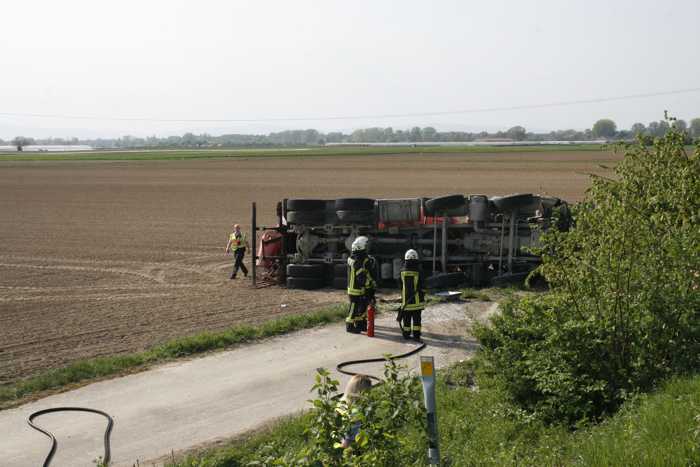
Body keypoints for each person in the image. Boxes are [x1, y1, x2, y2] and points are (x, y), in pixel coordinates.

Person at [346, 236, 376, 334]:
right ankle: (349, 325)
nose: (367, 248)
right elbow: (362, 276)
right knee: (354, 307)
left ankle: (360, 324)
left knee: (361, 306)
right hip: (355, 289)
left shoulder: (358, 259)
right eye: (365, 246)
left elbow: (366, 273)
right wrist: (369, 285)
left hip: (360, 288)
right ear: (360, 247)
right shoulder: (356, 261)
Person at [338, 374, 373, 449]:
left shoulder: (342, 403)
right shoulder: (357, 411)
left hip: (339, 439)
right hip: (353, 444)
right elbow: (351, 431)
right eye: (368, 391)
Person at [398, 249, 426, 341]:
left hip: (406, 303)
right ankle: (416, 336)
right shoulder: (419, 271)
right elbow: (423, 286)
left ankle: (406, 335)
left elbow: (399, 286)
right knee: (417, 320)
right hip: (417, 303)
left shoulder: (402, 271)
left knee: (406, 320)